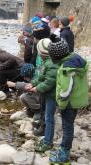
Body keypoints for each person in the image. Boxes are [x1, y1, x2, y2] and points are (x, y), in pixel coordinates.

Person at [48, 35, 89, 164]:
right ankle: (63, 150)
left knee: (67, 127)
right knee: (69, 125)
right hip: (77, 100)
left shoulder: (66, 69)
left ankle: (64, 156)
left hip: (69, 103)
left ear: (56, 56)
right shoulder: (77, 60)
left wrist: (61, 105)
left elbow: (65, 92)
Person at [25, 38, 59, 150]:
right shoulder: (47, 60)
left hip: (52, 95)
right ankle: (42, 127)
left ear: (42, 51)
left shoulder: (51, 62)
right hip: (47, 93)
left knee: (49, 117)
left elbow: (50, 81)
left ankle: (47, 142)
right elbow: (42, 76)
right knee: (44, 110)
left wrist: (37, 88)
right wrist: (33, 83)